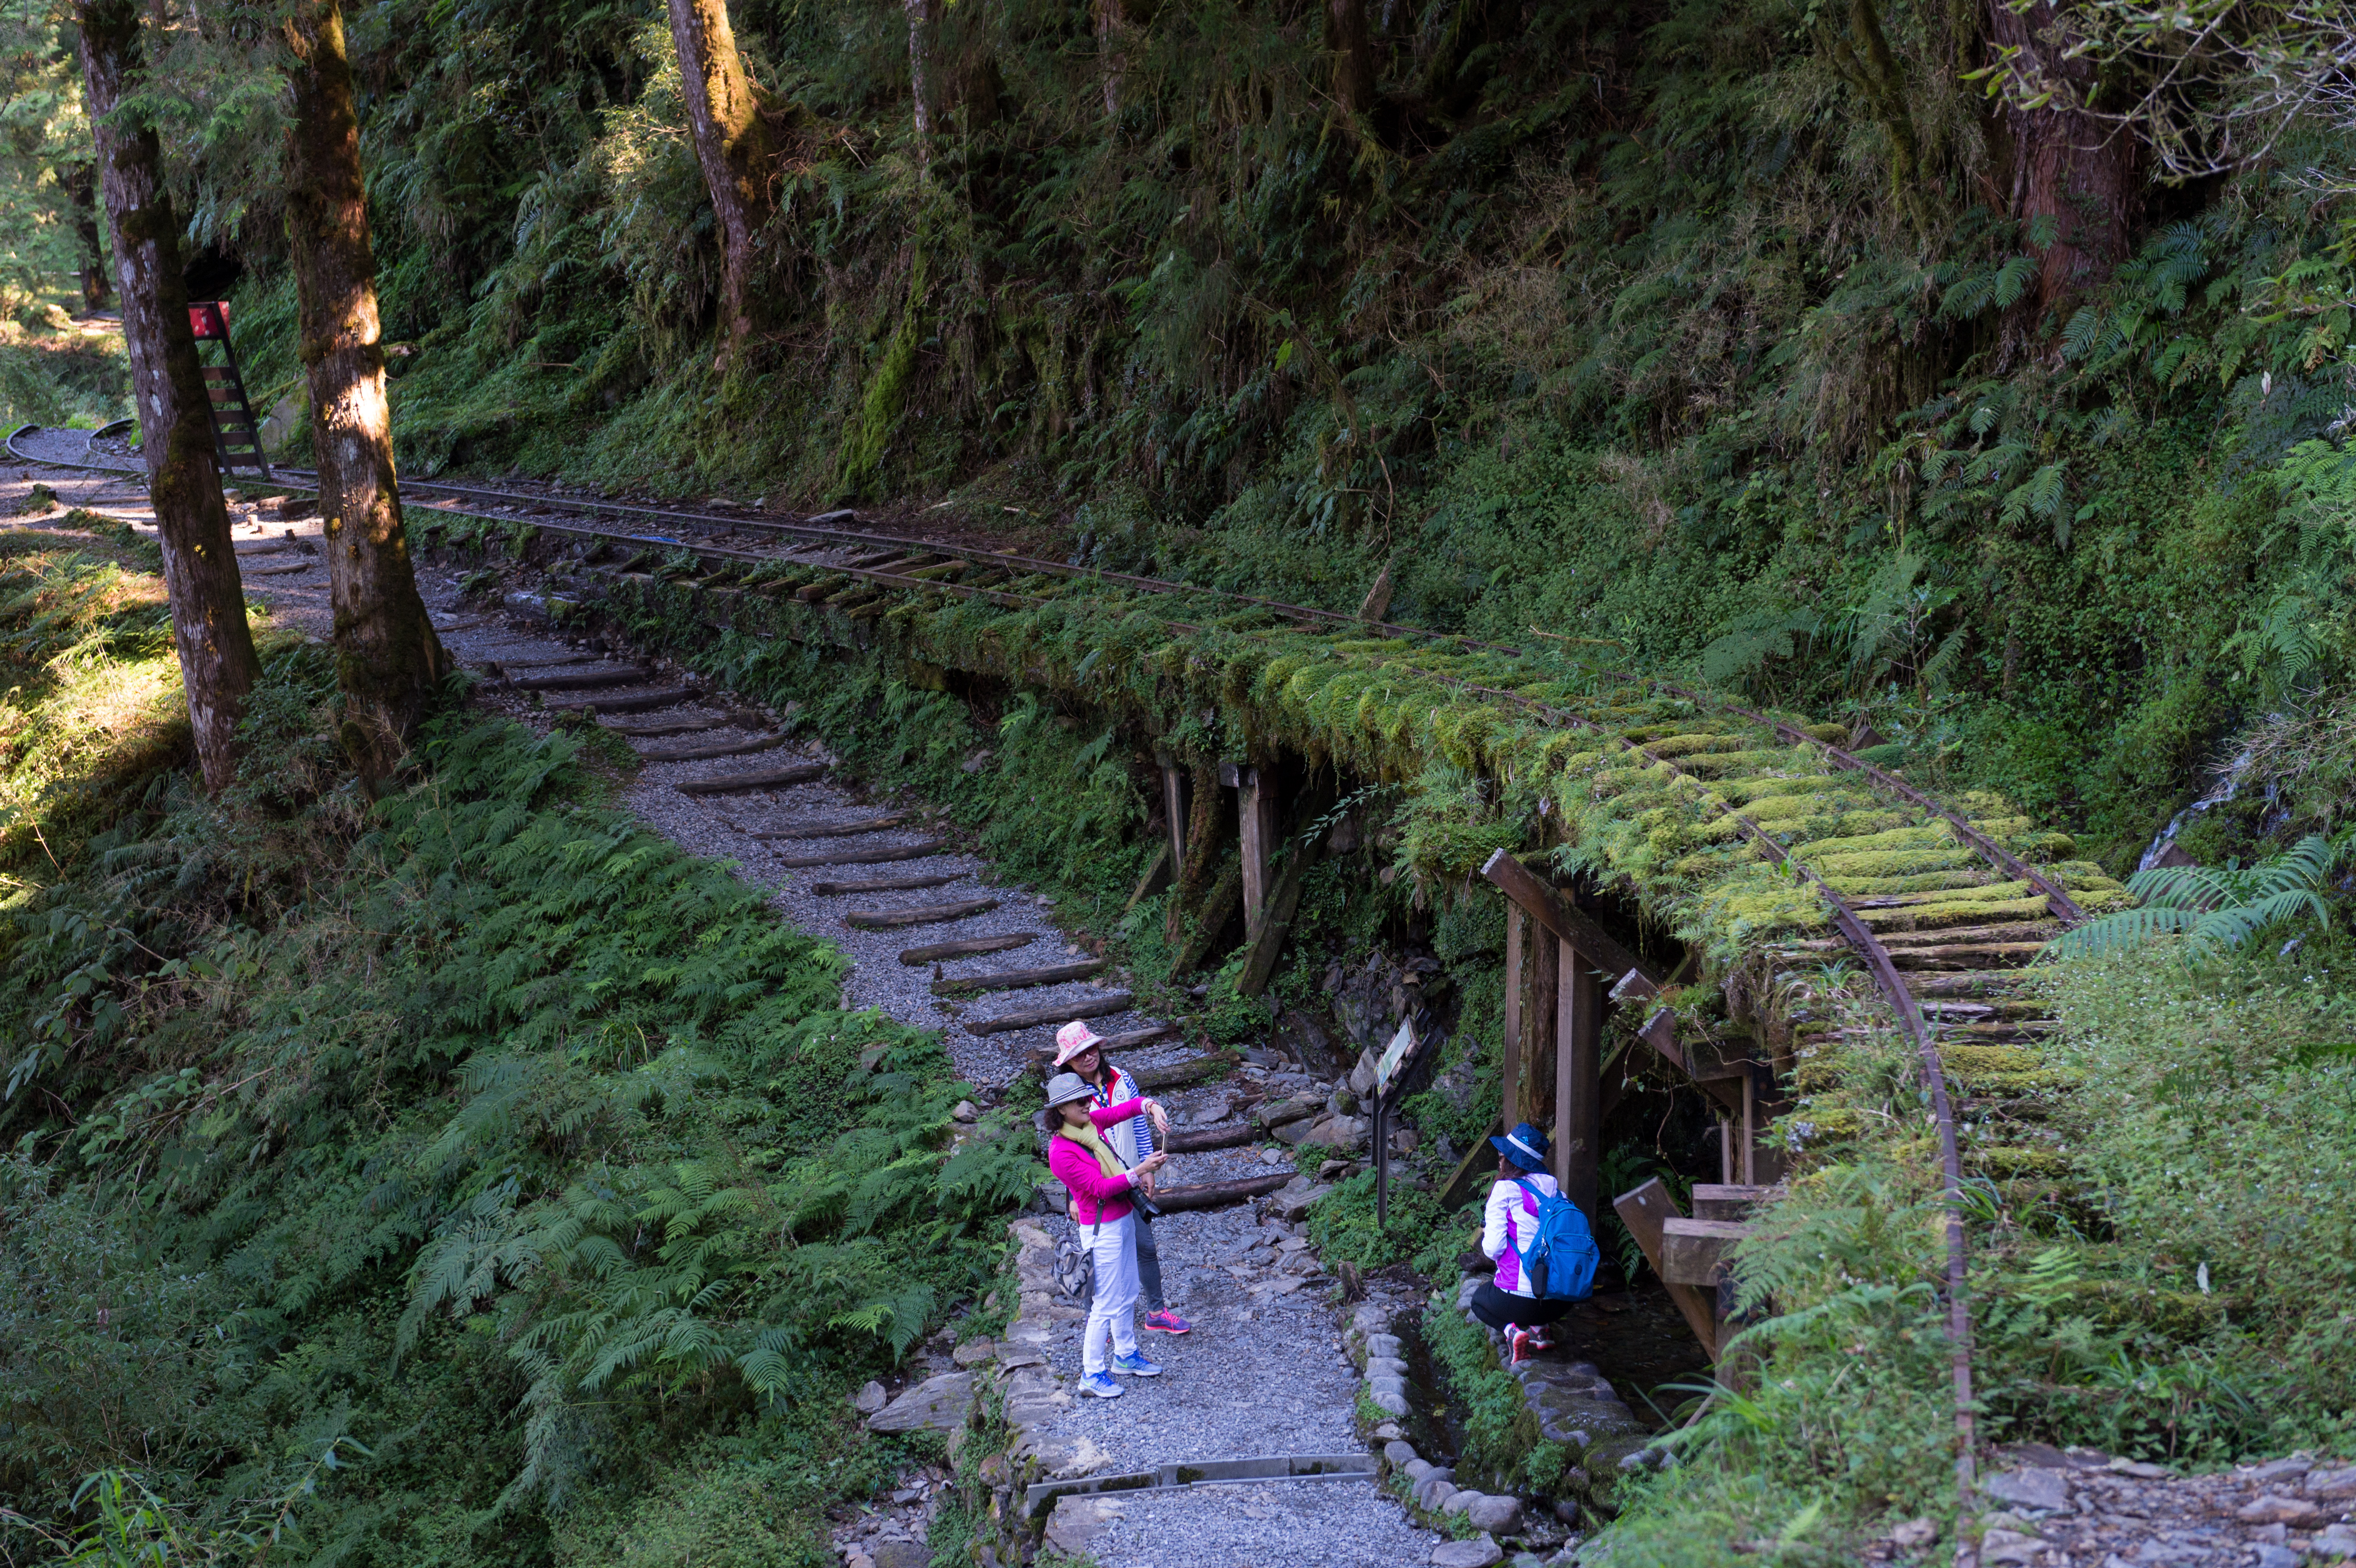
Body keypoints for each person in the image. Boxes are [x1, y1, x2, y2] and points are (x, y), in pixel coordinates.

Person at [1038, 1070, 1169, 1398]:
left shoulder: (1091, 1125)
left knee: (1128, 1291)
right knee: (1105, 1302)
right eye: (1079, 1101)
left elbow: (1125, 1109)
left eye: (1087, 1097)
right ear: (1061, 1110)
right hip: (1101, 1229)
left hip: (1123, 1219)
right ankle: (1092, 1374)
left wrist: (1151, 1106)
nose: (1088, 1103)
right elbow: (1100, 1188)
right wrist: (1140, 1171)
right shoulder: (1060, 1152)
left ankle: (1125, 1356)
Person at [1054, 1021, 1190, 1334]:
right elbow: (1068, 1151)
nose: (1088, 1057)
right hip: (1096, 1188)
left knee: (1145, 1246)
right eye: (1079, 1055)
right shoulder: (1069, 1094)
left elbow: (1136, 1122)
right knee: (1098, 1259)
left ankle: (1156, 1311)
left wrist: (1146, 1166)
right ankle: (1098, 1321)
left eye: (1091, 1049)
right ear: (1068, 1062)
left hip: (1130, 1178)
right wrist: (1072, 1196)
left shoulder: (1121, 1078)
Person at [1473, 1121, 1577, 1364]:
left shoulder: (1505, 1190)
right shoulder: (1557, 1193)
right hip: (1562, 1302)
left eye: (1502, 1155)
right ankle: (1542, 1331)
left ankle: (1513, 1333)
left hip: (1520, 1301)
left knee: (1478, 1301)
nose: (1500, 1160)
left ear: (1511, 1160)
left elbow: (1493, 1249)